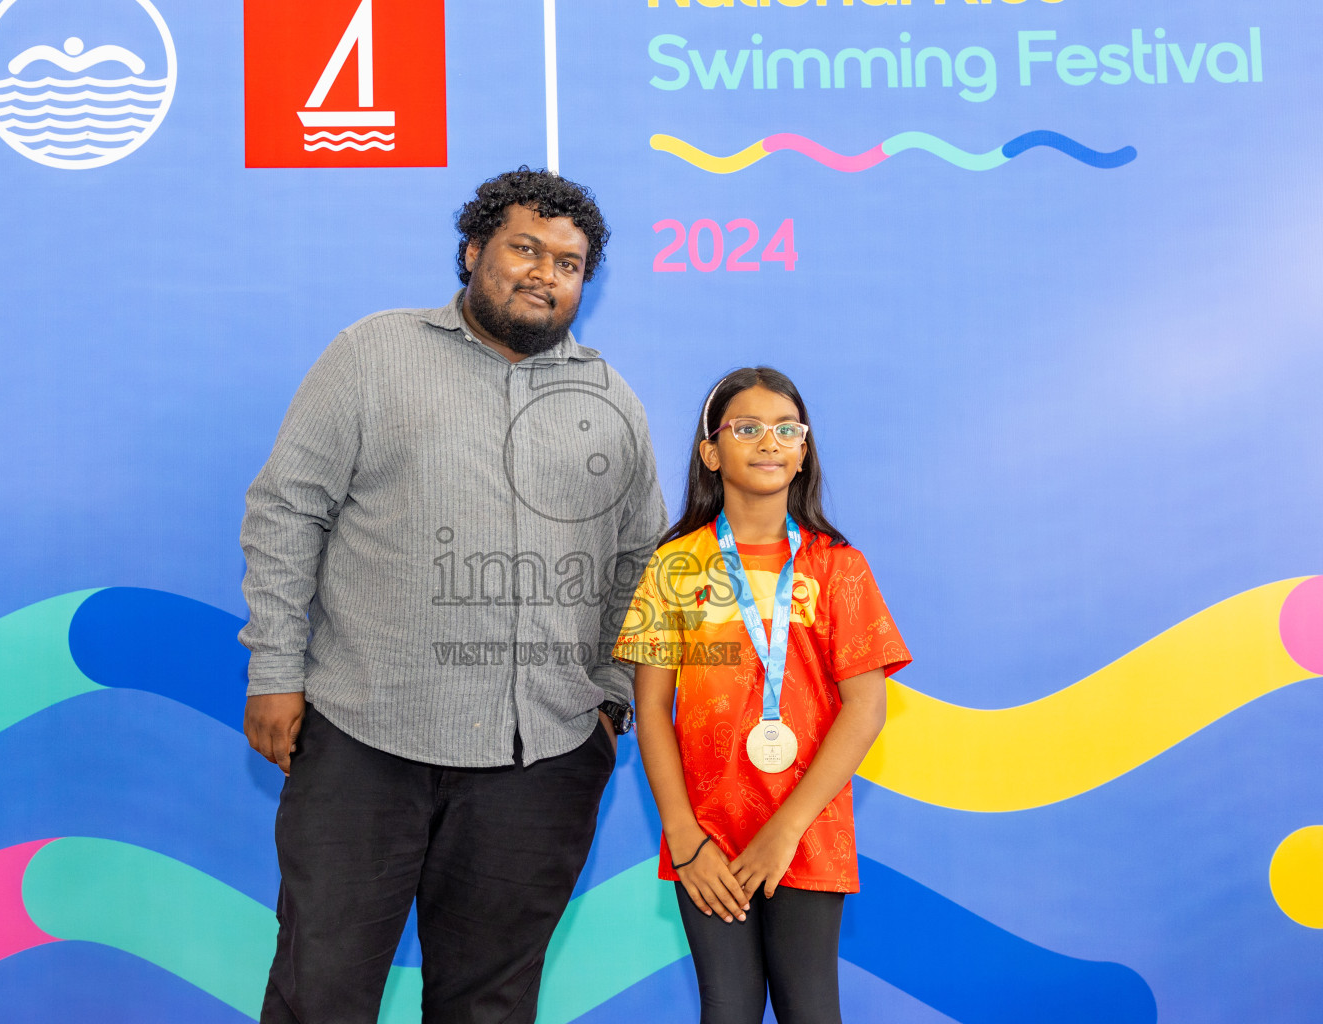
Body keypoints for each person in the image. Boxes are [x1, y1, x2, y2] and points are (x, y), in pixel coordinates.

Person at [238, 168, 667, 1024]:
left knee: (491, 1008)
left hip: (539, 761)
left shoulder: (610, 399)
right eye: (525, 249)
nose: (546, 273)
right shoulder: (373, 354)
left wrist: (611, 704)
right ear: (473, 251)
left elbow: (641, 561)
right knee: (319, 994)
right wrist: (275, 671)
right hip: (365, 740)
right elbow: (288, 510)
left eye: (571, 263)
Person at [614, 367, 910, 1024]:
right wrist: (685, 836)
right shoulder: (674, 566)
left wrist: (787, 829)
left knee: (811, 1010)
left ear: (803, 452)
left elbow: (866, 708)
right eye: (746, 428)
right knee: (728, 1009)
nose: (769, 441)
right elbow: (652, 714)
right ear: (711, 452)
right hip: (708, 839)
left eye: (786, 429)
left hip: (806, 830)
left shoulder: (840, 567)